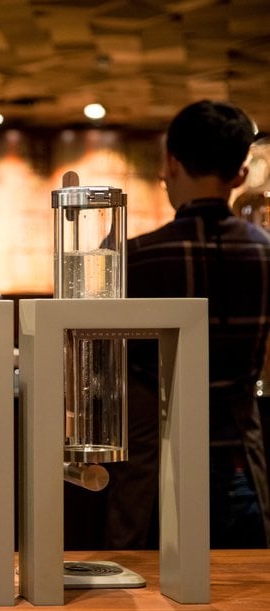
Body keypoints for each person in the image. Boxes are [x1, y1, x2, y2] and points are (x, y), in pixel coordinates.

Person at [105, 100, 270, 549]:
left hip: (151, 472)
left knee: (149, 585)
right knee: (243, 584)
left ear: (170, 163)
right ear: (240, 173)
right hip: (239, 461)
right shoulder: (264, 254)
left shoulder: (131, 258)